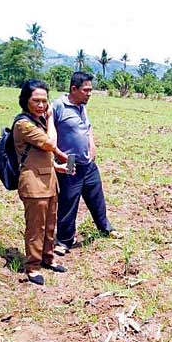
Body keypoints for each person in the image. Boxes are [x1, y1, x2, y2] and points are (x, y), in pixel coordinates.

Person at [49, 71, 119, 255]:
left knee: (96, 197)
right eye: (86, 90)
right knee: (69, 201)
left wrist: (92, 144)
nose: (89, 93)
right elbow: (50, 132)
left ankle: (105, 228)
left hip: (87, 161)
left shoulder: (81, 106)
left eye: (90, 90)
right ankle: (64, 241)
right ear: (74, 89)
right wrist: (56, 157)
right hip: (70, 161)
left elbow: (87, 127)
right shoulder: (58, 106)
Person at [14, 79, 70, 285]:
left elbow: (39, 155)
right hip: (33, 183)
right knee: (36, 227)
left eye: (44, 101)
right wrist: (51, 120)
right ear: (25, 100)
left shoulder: (37, 121)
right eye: (36, 100)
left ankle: (48, 257)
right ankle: (33, 266)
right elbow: (49, 144)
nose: (41, 105)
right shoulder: (23, 124)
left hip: (49, 181)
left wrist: (57, 167)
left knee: (49, 225)